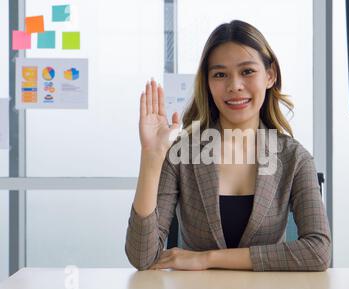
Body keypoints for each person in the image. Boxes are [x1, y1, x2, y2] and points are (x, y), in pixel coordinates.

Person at [125, 20, 331, 272]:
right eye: (220, 74)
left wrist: (208, 259)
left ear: (270, 75)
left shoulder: (294, 158)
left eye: (247, 71)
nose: (234, 85)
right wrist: (151, 156)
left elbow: (318, 251)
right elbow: (142, 257)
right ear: (208, 83)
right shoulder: (183, 153)